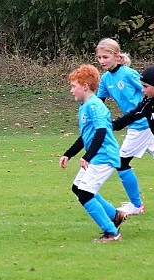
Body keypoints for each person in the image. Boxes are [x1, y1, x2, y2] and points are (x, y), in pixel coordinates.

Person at [59, 64, 127, 242]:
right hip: (97, 155)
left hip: (104, 156)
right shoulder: (85, 105)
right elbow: (85, 136)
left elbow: (101, 132)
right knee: (78, 188)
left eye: (73, 86)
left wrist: (87, 156)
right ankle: (115, 215)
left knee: (85, 194)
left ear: (85, 86)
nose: (71, 90)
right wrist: (69, 154)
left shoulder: (95, 106)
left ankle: (112, 232)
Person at [95, 38, 154, 216]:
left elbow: (148, 89)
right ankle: (136, 204)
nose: (102, 61)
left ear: (117, 56)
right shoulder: (106, 79)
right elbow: (100, 103)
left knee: (121, 163)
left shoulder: (129, 74)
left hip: (143, 125)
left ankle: (137, 205)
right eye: (99, 57)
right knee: (122, 163)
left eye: (105, 57)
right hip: (136, 126)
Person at [113, 65, 154, 134]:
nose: (142, 90)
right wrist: (111, 125)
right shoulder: (148, 102)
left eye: (145, 86)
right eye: (142, 86)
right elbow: (133, 115)